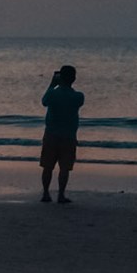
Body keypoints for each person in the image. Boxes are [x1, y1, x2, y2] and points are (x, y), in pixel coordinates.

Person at [40, 64, 85, 203]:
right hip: (68, 136)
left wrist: (52, 84)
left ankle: (46, 193)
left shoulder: (53, 94)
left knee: (47, 167)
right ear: (74, 78)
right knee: (64, 168)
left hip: (51, 134)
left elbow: (44, 101)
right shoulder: (78, 96)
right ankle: (61, 194)